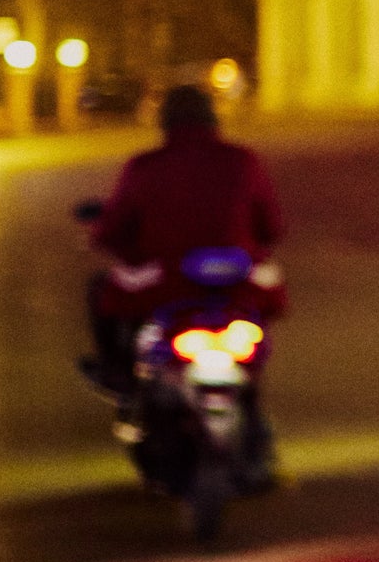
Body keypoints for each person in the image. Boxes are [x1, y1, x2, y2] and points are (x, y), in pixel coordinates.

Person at [83, 83, 285, 392]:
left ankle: (119, 374)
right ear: (213, 120)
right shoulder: (243, 161)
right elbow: (271, 228)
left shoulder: (145, 167)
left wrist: (112, 237)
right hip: (235, 281)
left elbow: (112, 230)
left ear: (165, 123)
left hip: (167, 282)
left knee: (101, 290)